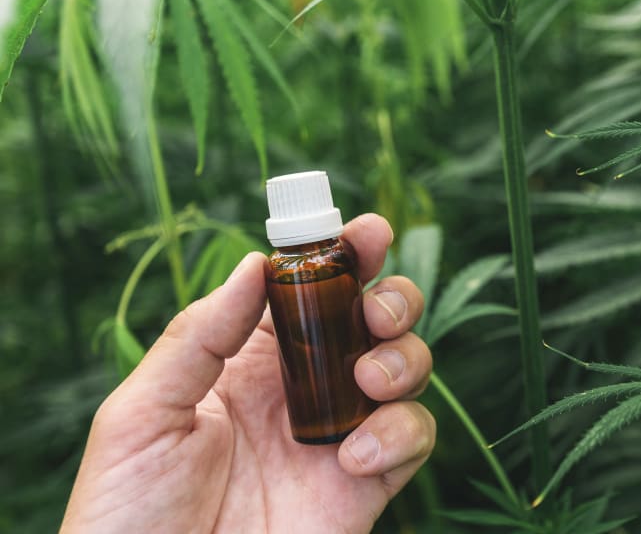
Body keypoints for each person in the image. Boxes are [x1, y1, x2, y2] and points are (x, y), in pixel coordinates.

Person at [60, 214, 435, 533]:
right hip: (270, 464)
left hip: (312, 478)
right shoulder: (281, 268)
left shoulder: (333, 259)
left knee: (381, 369)